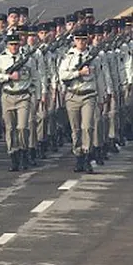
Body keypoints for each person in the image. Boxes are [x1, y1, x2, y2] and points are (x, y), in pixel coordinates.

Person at [0, 31, 39, 171]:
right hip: (8, 96)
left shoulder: (27, 59)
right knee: (10, 128)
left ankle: (24, 152)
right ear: (7, 45)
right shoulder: (2, 59)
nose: (14, 47)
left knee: (22, 127)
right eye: (11, 44)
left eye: (16, 44)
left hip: (23, 96)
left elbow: (36, 78)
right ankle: (13, 155)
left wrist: (38, 96)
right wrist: (8, 77)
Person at [59, 26, 100, 173]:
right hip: (73, 95)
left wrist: (103, 95)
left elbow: (101, 77)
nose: (81, 42)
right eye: (78, 39)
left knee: (87, 127)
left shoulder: (94, 57)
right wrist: (78, 73)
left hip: (88, 94)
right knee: (75, 129)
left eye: (83, 39)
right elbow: (62, 75)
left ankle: (87, 155)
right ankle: (79, 156)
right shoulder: (68, 57)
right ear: (74, 40)